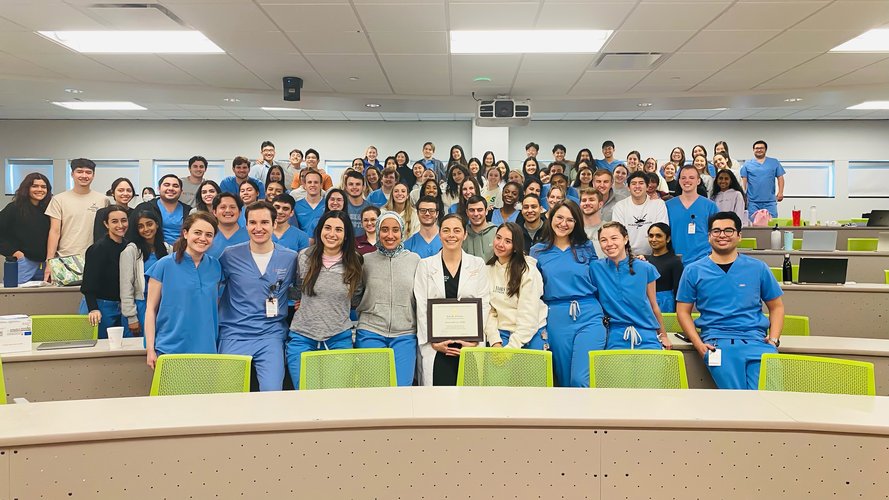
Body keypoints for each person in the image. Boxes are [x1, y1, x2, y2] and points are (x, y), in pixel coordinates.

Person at [676, 211, 785, 390]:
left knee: (772, 396)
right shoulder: (693, 270)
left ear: (739, 236)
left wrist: (773, 340)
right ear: (709, 236)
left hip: (757, 342)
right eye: (716, 231)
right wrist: (698, 344)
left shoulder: (758, 268)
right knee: (736, 401)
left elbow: (777, 307)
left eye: (728, 230)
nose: (722, 235)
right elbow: (683, 311)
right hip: (717, 344)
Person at [217, 201, 297, 391]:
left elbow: (299, 290)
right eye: (253, 223)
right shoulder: (230, 256)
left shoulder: (290, 257)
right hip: (234, 333)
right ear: (246, 225)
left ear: (274, 224)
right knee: (227, 394)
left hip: (271, 334)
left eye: (264, 222)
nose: (258, 228)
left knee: (272, 392)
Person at [530, 200, 605, 387]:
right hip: (556, 316)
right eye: (560, 218)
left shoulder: (586, 247)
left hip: (589, 313)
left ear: (577, 223)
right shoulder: (537, 251)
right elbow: (532, 290)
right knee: (563, 380)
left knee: (580, 379)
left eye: (570, 220)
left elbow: (602, 276)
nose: (564, 223)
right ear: (550, 218)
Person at [285, 211, 364, 388]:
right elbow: (298, 289)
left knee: (334, 398)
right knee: (305, 395)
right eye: (327, 228)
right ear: (320, 230)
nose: (332, 234)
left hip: (338, 337)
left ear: (345, 236)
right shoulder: (304, 256)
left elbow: (356, 297)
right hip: (303, 337)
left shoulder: (355, 261)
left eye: (338, 230)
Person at [414, 213, 491, 386]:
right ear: (439, 234)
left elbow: (484, 303)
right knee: (438, 399)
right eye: (446, 230)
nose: (451, 235)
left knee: (469, 398)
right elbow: (421, 307)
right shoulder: (425, 265)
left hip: (469, 344)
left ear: (465, 234)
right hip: (437, 346)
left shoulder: (477, 264)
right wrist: (433, 342)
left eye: (457, 230)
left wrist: (474, 340)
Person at [144, 212, 222, 369]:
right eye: (197, 232)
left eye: (209, 235)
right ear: (186, 233)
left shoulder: (216, 267)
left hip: (206, 348)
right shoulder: (164, 265)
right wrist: (150, 349)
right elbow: (150, 310)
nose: (203, 238)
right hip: (170, 347)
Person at [355, 212, 421, 386]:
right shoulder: (365, 261)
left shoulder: (415, 260)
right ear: (377, 232)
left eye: (395, 230)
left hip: (405, 333)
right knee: (374, 389)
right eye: (384, 230)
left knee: (402, 389)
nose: (390, 235)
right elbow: (355, 296)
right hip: (371, 331)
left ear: (402, 233)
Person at [592, 221, 670, 350]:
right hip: (614, 336)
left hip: (646, 334)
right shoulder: (595, 268)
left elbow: (653, 304)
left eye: (614, 238)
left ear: (625, 239)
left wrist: (663, 335)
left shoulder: (646, 268)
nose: (609, 244)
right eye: (603, 240)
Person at [44, 158, 109, 280]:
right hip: (65, 259)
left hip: (94, 258)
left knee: (92, 297)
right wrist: (49, 262)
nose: (84, 175)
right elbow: (54, 231)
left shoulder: (103, 200)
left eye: (88, 172)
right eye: (79, 171)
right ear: (72, 174)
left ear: (93, 175)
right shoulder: (59, 199)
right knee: (65, 298)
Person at [486, 223, 548, 350]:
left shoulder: (528, 271)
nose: (500, 244)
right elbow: (489, 311)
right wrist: (495, 341)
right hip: (501, 333)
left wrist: (511, 349)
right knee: (497, 368)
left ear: (516, 247)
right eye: (498, 237)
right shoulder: (487, 270)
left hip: (531, 333)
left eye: (508, 241)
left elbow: (528, 317)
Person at [80, 205, 129, 339]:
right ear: (106, 224)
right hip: (100, 306)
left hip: (121, 305)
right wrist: (93, 309)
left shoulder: (129, 246)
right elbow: (89, 284)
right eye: (114, 221)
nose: (120, 225)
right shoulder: (98, 249)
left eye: (124, 220)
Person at [119, 210, 171, 339]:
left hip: (163, 305)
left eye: (149, 224)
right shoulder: (131, 251)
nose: (146, 229)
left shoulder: (168, 249)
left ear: (157, 224)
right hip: (140, 306)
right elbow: (126, 286)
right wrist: (131, 317)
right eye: (140, 226)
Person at [0, 173, 52, 284]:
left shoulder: (49, 210)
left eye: (43, 187)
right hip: (24, 263)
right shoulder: (14, 208)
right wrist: (16, 253)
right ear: (26, 188)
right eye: (35, 186)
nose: (40, 189)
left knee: (45, 300)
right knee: (16, 298)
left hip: (46, 265)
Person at [667, 166, 719, 265]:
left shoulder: (710, 206)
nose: (687, 181)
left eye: (691, 178)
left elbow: (716, 234)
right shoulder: (668, 206)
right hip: (676, 261)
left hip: (704, 260)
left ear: (698, 181)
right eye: (683, 178)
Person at [612, 171, 669, 255]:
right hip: (627, 256)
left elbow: (661, 232)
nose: (637, 186)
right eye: (634, 183)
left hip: (654, 256)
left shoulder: (659, 204)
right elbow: (618, 234)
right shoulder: (620, 206)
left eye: (641, 183)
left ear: (647, 186)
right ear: (628, 187)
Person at [132, 174, 192, 246]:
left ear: (181, 191)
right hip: (153, 252)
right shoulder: (144, 208)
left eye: (175, 186)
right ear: (159, 189)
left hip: (181, 252)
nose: (171, 188)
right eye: (166, 185)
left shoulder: (188, 211)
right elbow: (132, 233)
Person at [741, 140, 785, 218]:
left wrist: (780, 192)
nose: (759, 150)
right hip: (752, 201)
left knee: (772, 223)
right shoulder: (747, 164)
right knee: (752, 224)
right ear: (753, 150)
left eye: (761, 148)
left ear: (765, 149)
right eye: (756, 148)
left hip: (770, 201)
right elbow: (744, 180)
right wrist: (743, 195)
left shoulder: (774, 162)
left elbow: (780, 177)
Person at [646, 223, 683, 313]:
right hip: (646, 307)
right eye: (651, 236)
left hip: (666, 308)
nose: (653, 239)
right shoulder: (644, 261)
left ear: (668, 239)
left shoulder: (675, 262)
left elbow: (679, 291)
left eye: (658, 236)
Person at [206, 193, 248, 259]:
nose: (228, 210)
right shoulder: (206, 236)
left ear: (240, 212)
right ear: (214, 212)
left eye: (232, 207)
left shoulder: (250, 235)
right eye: (223, 207)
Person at [93, 177, 135, 243]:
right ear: (113, 193)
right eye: (121, 190)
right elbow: (99, 238)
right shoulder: (102, 213)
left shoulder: (135, 213)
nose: (125, 193)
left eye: (129, 190)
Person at [463, 196, 496, 261]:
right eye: (472, 210)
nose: (476, 214)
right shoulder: (462, 234)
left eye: (480, 210)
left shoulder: (496, 233)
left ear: (486, 211)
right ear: (467, 212)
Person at [293, 170, 325, 236]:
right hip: (302, 245)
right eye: (309, 182)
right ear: (304, 185)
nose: (312, 185)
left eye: (316, 182)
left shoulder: (328, 205)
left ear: (321, 185)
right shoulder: (296, 206)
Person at [343, 170, 371, 237]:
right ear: (346, 187)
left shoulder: (370, 208)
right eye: (351, 184)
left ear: (363, 187)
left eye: (358, 184)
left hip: (365, 245)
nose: (354, 187)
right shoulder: (341, 207)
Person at [579, 188, 604, 256]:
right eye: (584, 200)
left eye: (591, 200)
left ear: (600, 204)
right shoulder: (574, 229)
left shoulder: (608, 229)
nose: (587, 203)